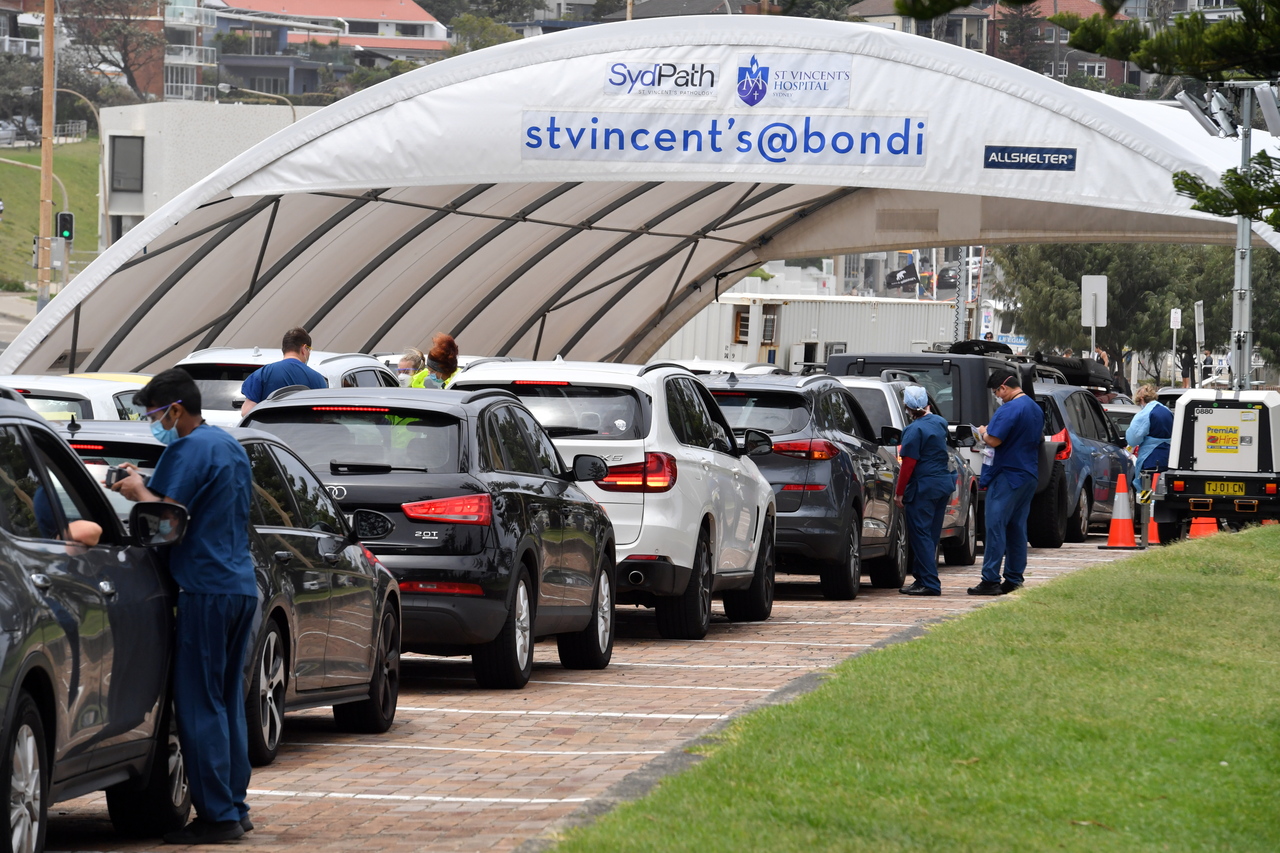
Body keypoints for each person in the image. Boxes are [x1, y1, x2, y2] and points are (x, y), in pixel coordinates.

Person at [112, 369, 257, 844]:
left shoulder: (187, 448)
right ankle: (234, 804)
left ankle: (218, 816)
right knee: (226, 700)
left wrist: (137, 494)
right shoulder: (227, 445)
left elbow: (167, 525)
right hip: (239, 586)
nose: (153, 423)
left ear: (175, 409)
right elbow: (195, 502)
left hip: (206, 589)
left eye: (155, 415)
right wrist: (149, 485)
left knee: (198, 704)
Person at [971, 370, 1043, 596]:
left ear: (1004, 387)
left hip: (1007, 475)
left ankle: (990, 579)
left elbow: (994, 439)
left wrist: (982, 432)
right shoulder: (1035, 408)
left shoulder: (1010, 408)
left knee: (995, 526)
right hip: (1028, 474)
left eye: (997, 392)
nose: (998, 397)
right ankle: (1013, 578)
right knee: (1017, 528)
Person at [895, 386, 955, 596]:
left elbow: (908, 464)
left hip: (923, 487)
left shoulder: (913, 430)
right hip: (942, 484)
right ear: (928, 401)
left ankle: (929, 582)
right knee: (931, 535)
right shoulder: (940, 422)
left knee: (920, 536)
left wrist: (899, 492)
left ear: (907, 407)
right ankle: (921, 578)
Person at [239, 327, 327, 414]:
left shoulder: (262, 374)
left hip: (266, 428)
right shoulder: (318, 378)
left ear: (284, 348)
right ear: (304, 349)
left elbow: (246, 411)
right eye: (309, 349)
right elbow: (323, 415)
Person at [1126, 384, 1173, 474]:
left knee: (1148, 486)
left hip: (1150, 457)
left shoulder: (1145, 413)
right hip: (1168, 457)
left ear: (1141, 399)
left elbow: (1133, 438)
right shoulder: (1167, 411)